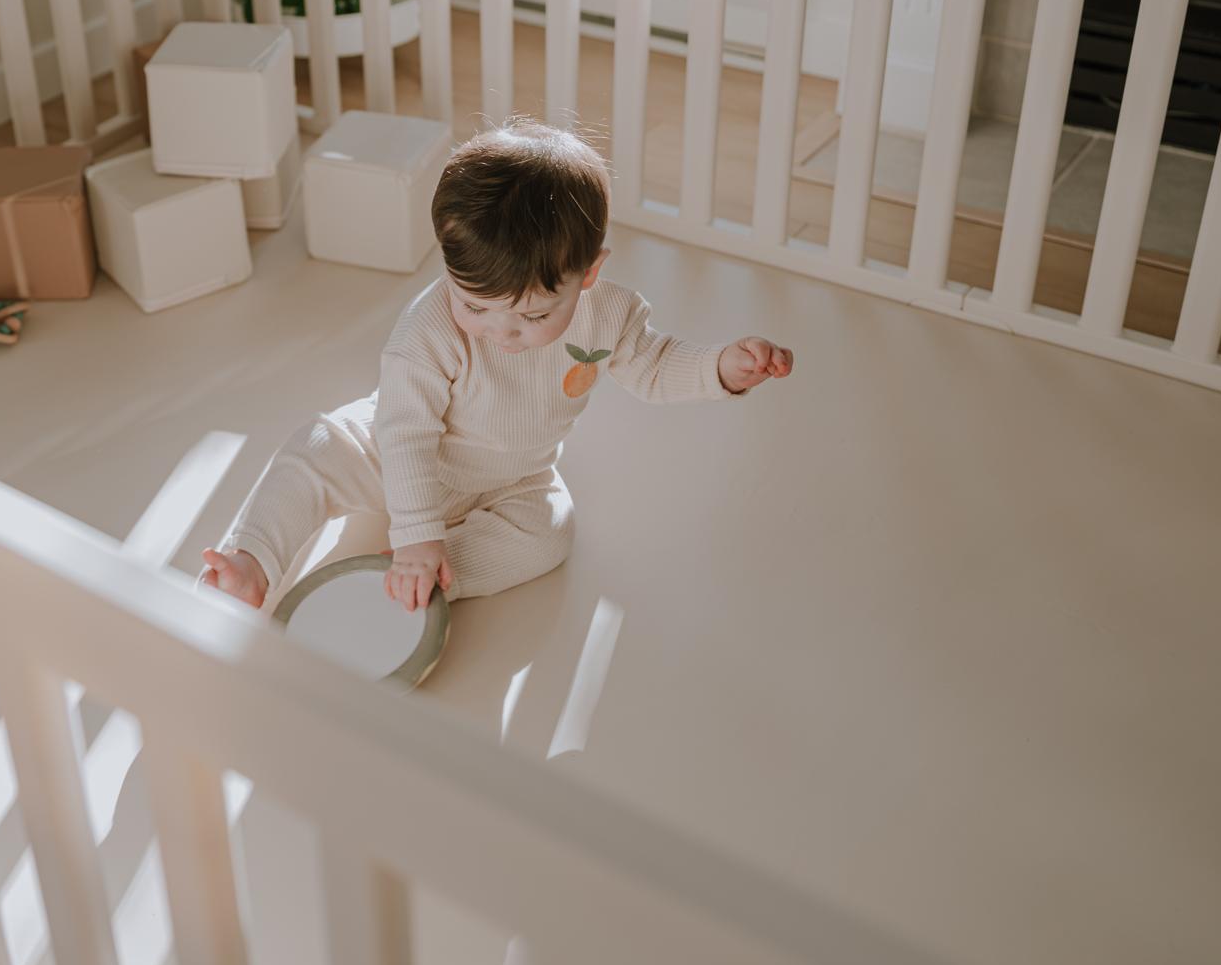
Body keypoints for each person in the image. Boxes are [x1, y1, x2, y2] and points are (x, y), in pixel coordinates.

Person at [202, 119, 794, 613]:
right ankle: (252, 559)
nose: (502, 333)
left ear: (588, 273)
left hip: (513, 478)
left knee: (551, 533)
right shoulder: (428, 329)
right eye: (475, 306)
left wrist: (720, 368)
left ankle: (434, 572)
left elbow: (655, 365)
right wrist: (415, 528)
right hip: (400, 455)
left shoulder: (607, 313)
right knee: (315, 450)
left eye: (535, 316)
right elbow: (406, 436)